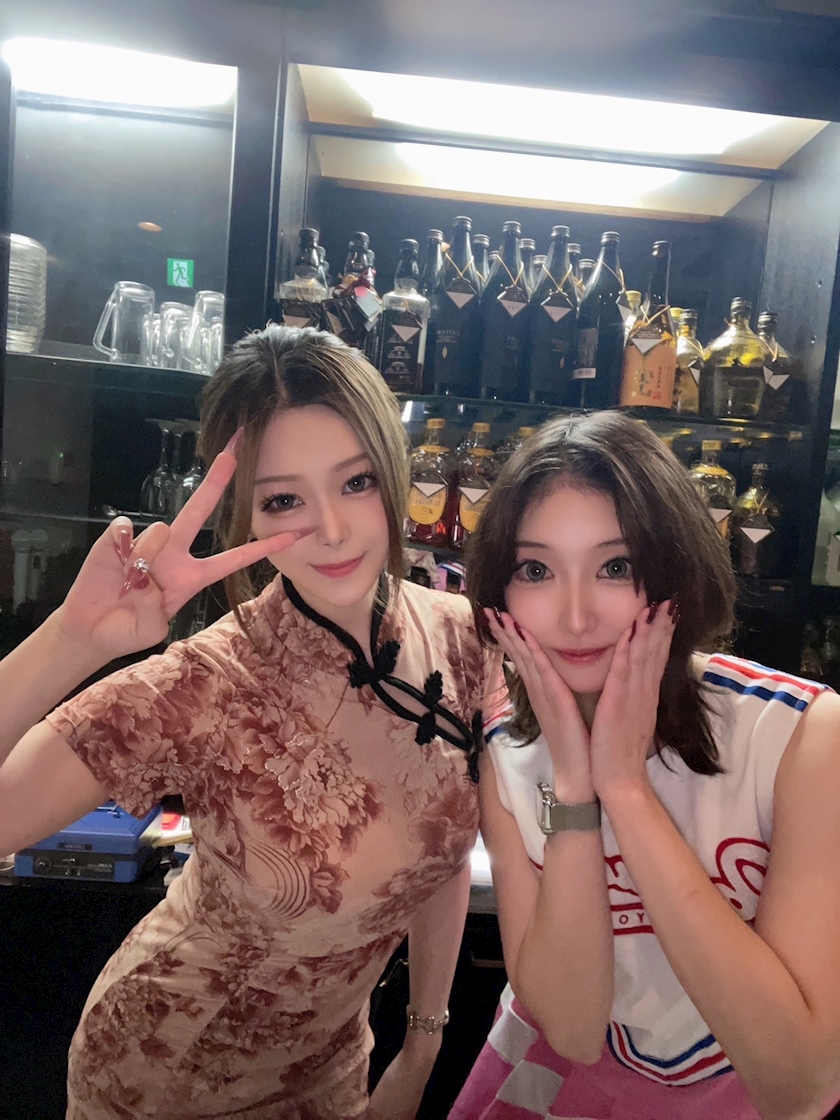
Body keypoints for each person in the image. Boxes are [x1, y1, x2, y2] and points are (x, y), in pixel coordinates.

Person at [0, 324, 500, 1120]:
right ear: (247, 514)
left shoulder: (464, 638)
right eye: (283, 499)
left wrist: (423, 1042)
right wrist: (71, 641)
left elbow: (437, 856)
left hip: (332, 1069)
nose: (332, 529)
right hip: (164, 1073)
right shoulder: (207, 683)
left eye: (358, 481)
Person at [450, 410, 840, 1120]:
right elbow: (572, 1030)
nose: (575, 617)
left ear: (676, 572)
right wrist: (575, 789)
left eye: (617, 567)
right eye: (535, 570)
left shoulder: (798, 736)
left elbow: (799, 1087)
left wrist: (626, 790)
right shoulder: (506, 756)